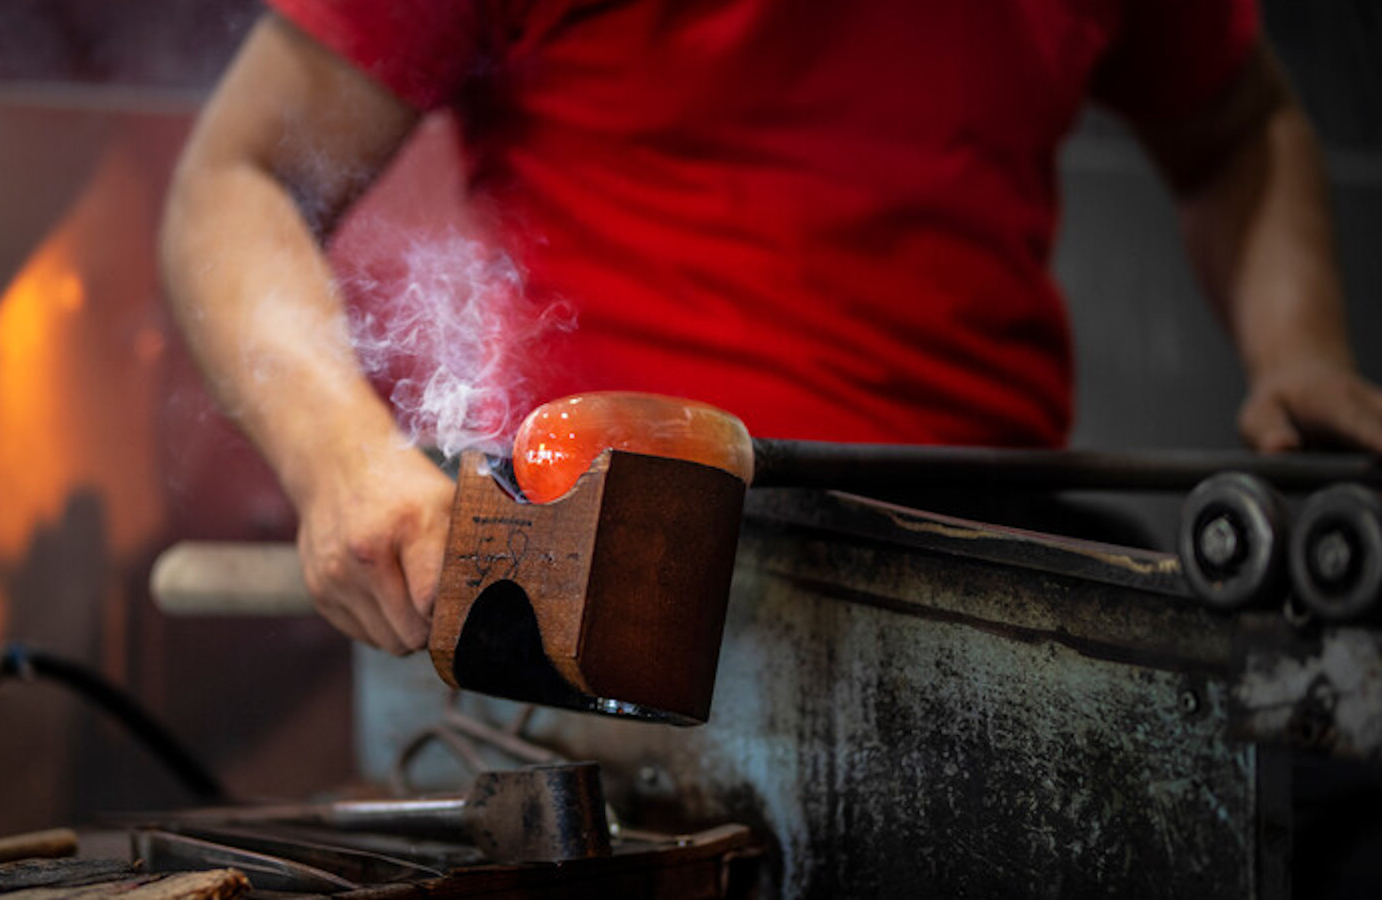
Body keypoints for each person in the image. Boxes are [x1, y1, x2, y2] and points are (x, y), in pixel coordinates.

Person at [160, 0, 1382, 654]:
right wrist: (342, 460)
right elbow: (237, 182)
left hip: (1002, 583)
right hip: (616, 613)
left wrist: (1300, 353)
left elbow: (1236, 131)